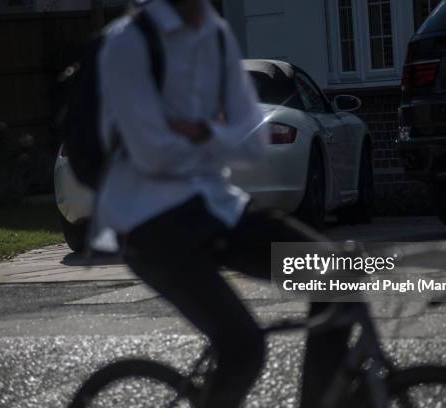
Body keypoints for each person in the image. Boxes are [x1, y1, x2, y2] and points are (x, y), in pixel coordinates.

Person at [95, 0, 350, 406]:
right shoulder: (127, 44)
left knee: (337, 275)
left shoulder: (214, 35)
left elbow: (251, 143)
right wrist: (217, 135)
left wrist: (199, 131)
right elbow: (150, 152)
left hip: (218, 210)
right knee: (243, 349)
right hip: (153, 228)